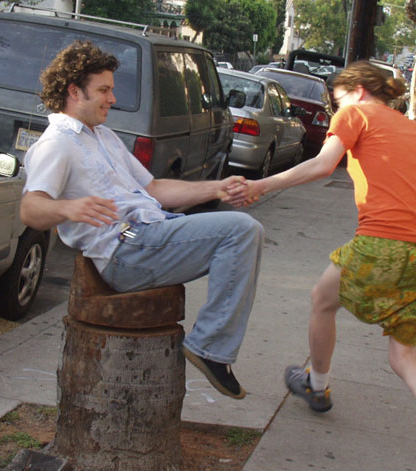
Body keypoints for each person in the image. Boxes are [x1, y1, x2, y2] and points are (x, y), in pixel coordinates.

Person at [229, 61, 416, 471]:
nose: (336, 108)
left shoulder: (355, 113)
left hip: (380, 244)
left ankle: (317, 386)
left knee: (322, 300)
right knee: (403, 354)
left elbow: (323, 165)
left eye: (337, 99)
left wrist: (261, 185)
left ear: (357, 90)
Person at [19, 40, 264, 400]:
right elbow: (30, 209)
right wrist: (68, 209)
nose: (112, 98)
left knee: (241, 231)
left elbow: (154, 188)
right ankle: (209, 348)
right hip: (127, 251)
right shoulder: (57, 144)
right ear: (74, 91)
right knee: (242, 231)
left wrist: (217, 188)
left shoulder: (103, 136)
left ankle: (211, 345)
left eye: (111, 89)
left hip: (152, 233)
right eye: (103, 90)